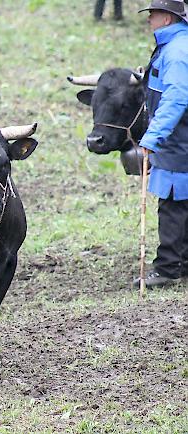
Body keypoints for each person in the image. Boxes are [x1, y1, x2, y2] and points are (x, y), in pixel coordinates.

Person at [134, 0, 188, 288]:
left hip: (179, 139)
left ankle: (168, 268)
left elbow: (177, 98)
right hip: (179, 137)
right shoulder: (176, 45)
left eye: (152, 15)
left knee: (173, 201)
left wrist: (153, 136)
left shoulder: (178, 52)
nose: (149, 20)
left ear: (167, 18)